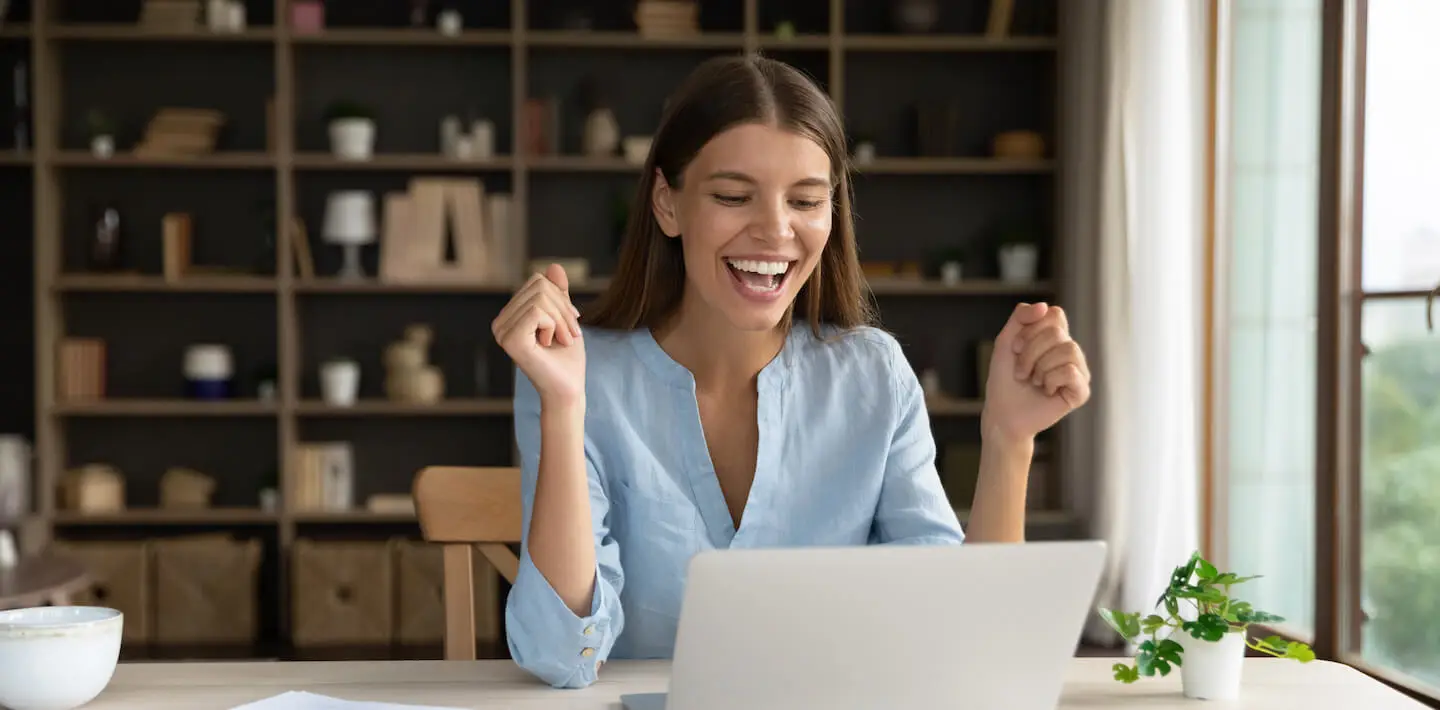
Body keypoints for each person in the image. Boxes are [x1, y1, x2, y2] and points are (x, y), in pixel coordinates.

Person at [490, 54, 1091, 690]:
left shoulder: (873, 377)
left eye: (806, 200)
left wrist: (1009, 441)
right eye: (732, 196)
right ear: (668, 204)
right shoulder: (581, 377)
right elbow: (561, 656)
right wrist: (562, 406)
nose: (776, 231)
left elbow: (959, 640)